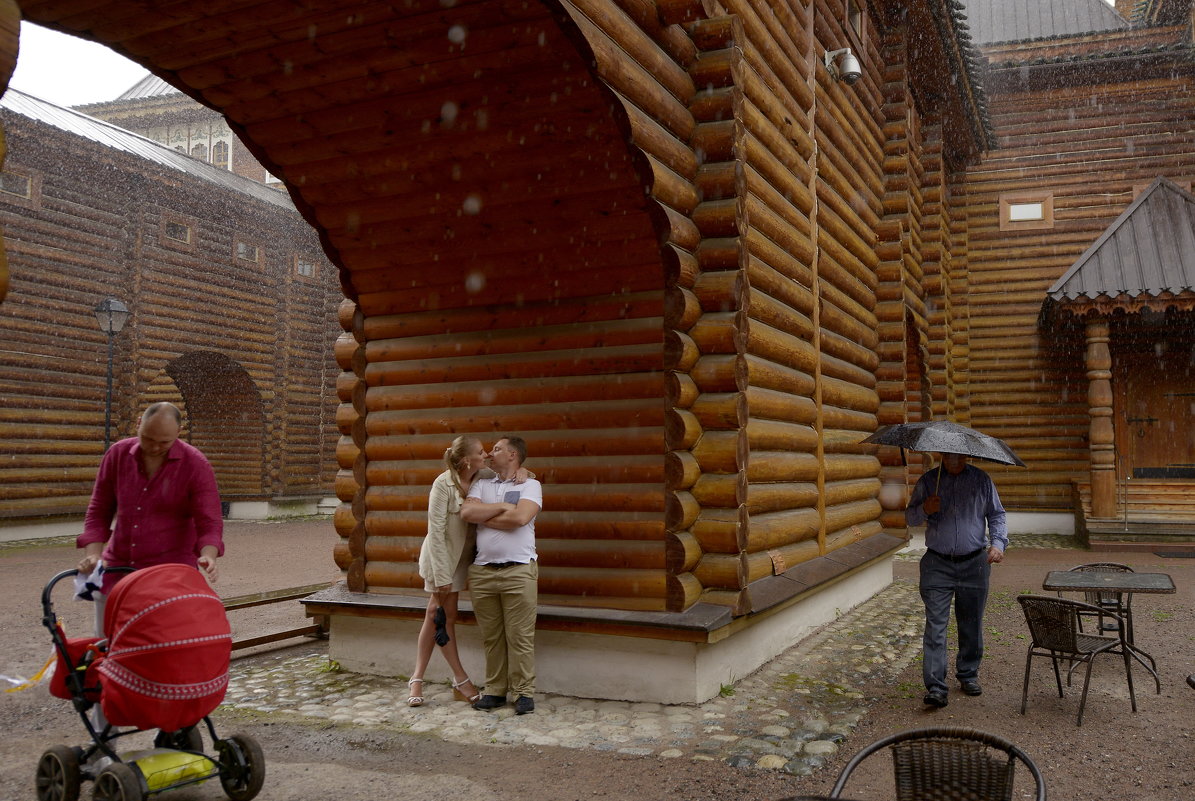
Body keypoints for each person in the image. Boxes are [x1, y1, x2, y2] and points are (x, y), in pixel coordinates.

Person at [409, 435, 530, 708]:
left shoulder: (482, 476)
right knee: (441, 617)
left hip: (464, 562)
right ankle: (457, 679)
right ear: (466, 460)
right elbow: (436, 533)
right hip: (441, 561)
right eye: (480, 451)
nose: (487, 454)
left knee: (435, 617)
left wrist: (522, 470)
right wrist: (441, 576)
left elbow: (515, 472)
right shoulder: (442, 484)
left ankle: (419, 677)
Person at [78, 402, 224, 595]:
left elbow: (210, 521)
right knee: (111, 625)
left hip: (170, 575)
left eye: (164, 442)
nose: (154, 447)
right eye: (147, 438)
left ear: (179, 431)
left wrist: (208, 555)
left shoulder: (196, 465)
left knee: (162, 625)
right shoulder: (117, 455)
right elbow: (99, 509)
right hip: (117, 569)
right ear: (138, 424)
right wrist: (93, 554)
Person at [906, 452, 1007, 708]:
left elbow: (996, 514)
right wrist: (924, 509)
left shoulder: (981, 480)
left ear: (966, 456)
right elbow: (909, 517)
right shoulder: (929, 481)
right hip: (936, 563)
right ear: (942, 455)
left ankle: (968, 674)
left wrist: (997, 543)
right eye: (950, 457)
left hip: (974, 562)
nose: (954, 461)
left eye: (959, 457)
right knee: (936, 625)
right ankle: (936, 687)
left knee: (971, 622)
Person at [462, 436, 542, 715]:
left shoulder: (531, 484)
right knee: (492, 636)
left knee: (520, 636)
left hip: (519, 570)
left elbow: (521, 518)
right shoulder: (482, 483)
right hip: (483, 572)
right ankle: (495, 690)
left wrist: (485, 516)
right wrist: (503, 509)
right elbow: (467, 511)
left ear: (513, 455)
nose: (490, 453)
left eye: (496, 449)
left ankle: (523, 693)